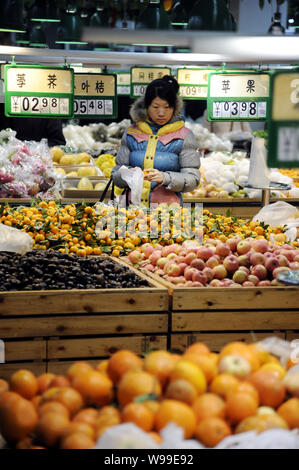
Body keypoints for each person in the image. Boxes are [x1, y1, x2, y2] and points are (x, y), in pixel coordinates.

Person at [111, 75, 200, 206]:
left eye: (167, 107)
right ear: (146, 106)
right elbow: (116, 174)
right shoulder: (131, 132)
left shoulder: (184, 135)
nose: (161, 113)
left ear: (174, 108)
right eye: (156, 107)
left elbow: (193, 179)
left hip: (166, 211)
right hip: (132, 209)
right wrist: (130, 175)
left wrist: (165, 178)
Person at [0, 103, 66, 147]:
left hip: (43, 162)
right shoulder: (8, 104)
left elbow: (58, 142)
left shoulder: (50, 105)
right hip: (12, 160)